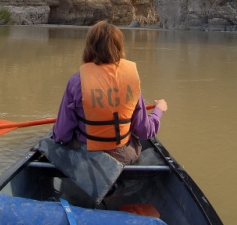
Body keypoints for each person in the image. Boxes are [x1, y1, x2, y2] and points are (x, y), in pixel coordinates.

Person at [53, 21, 168, 165]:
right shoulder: (130, 80)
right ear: (119, 47)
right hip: (123, 157)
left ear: (89, 47)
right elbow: (144, 131)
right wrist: (158, 110)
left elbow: (62, 134)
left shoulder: (76, 82)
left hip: (85, 156)